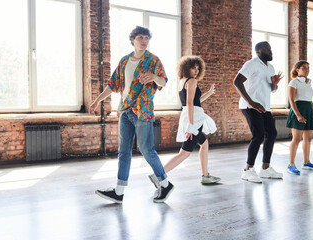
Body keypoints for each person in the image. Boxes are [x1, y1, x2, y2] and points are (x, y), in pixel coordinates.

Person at [89, 26, 174, 203]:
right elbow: (113, 85)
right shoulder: (125, 61)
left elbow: (164, 81)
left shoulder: (153, 61)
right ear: (133, 39)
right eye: (140, 37)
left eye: (146, 38)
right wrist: (97, 101)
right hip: (125, 110)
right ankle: (119, 192)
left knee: (146, 149)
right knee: (123, 151)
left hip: (143, 111)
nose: (144, 40)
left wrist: (153, 77)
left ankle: (165, 184)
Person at [148, 56, 221, 188]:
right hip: (193, 119)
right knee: (184, 153)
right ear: (187, 68)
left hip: (191, 116)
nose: (196, 71)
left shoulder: (183, 81)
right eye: (194, 68)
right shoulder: (192, 81)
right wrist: (191, 126)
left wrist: (209, 93)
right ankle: (158, 175)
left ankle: (205, 175)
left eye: (198, 68)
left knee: (204, 144)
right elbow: (189, 103)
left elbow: (195, 102)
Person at [233, 41, 284, 183]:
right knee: (259, 135)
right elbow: (237, 81)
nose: (271, 51)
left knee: (272, 133)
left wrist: (274, 84)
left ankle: (265, 169)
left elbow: (272, 89)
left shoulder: (270, 67)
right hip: (250, 106)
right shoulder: (252, 64)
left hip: (264, 106)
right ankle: (248, 170)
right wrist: (251, 102)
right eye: (267, 49)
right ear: (258, 51)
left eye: (271, 48)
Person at [286, 60, 313, 174]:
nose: (307, 70)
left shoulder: (309, 82)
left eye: (308, 68)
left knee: (309, 138)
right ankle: (291, 165)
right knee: (296, 139)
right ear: (297, 69)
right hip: (298, 110)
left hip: (308, 110)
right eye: (304, 68)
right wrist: (298, 115)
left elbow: (310, 100)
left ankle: (306, 162)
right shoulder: (293, 82)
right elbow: (291, 100)